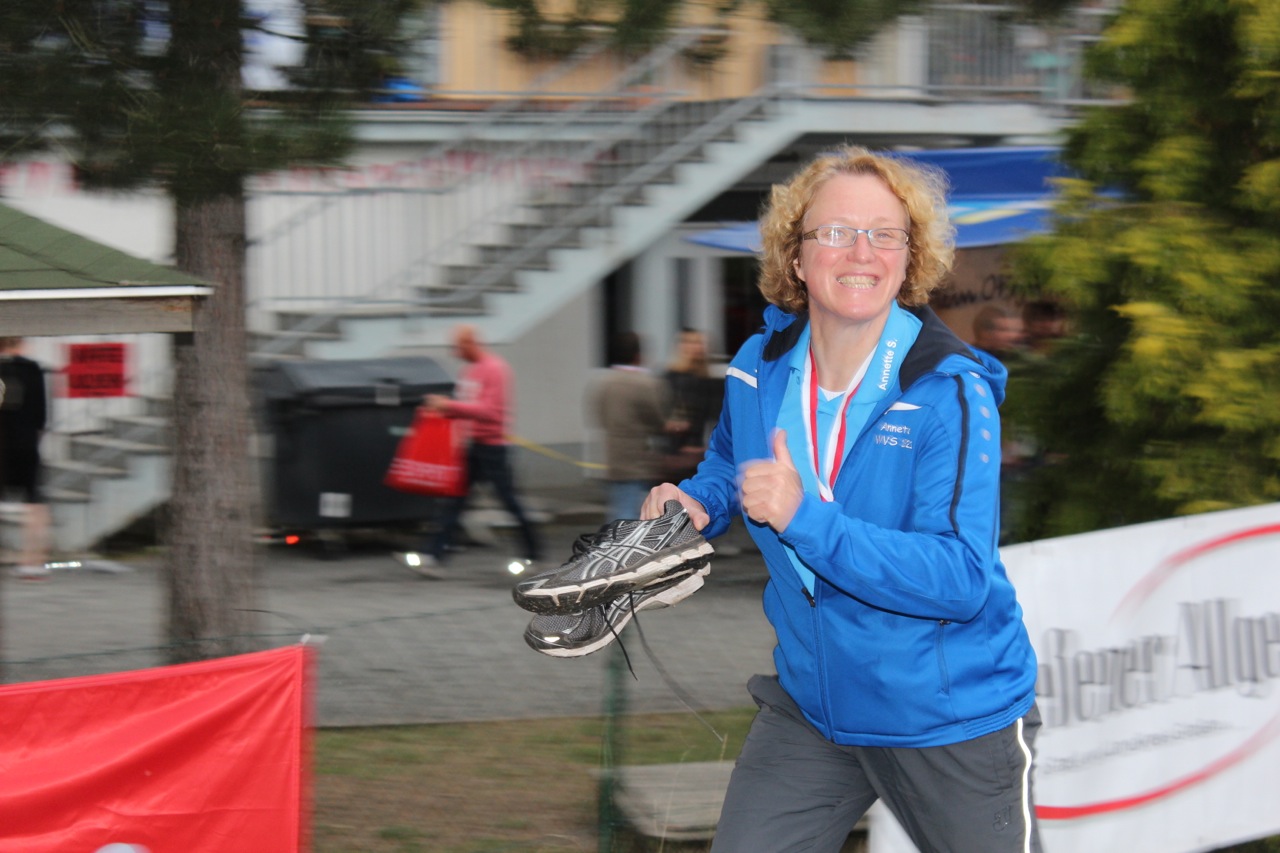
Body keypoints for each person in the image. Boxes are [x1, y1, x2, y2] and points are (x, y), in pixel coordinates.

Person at [639, 146, 1042, 852]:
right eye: (835, 232)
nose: (862, 252)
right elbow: (733, 461)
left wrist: (806, 519)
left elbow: (960, 579)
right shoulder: (759, 365)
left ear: (909, 259)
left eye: (885, 234)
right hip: (815, 705)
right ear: (796, 257)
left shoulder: (948, 392)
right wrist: (699, 503)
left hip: (945, 715)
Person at [394, 325, 542, 576]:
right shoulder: (469, 371)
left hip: (492, 448)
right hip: (472, 446)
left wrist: (449, 406)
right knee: (454, 502)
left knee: (508, 502)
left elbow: (489, 412)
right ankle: (433, 557)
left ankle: (533, 554)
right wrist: (444, 410)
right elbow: (467, 408)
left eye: (457, 347)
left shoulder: (495, 369)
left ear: (470, 344)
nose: (454, 353)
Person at [588, 331, 669, 523]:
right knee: (633, 512)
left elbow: (599, 415)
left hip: (613, 457)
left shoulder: (603, 383)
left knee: (618, 507)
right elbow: (658, 420)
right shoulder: (646, 384)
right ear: (638, 355)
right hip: (639, 458)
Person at [0, 337, 51, 580]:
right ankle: (33, 562)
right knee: (35, 503)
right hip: (26, 442)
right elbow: (42, 416)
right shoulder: (32, 370)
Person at [660, 328, 717, 483]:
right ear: (681, 347)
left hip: (697, 451)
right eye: (690, 343)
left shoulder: (704, 379)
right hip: (676, 451)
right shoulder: (673, 377)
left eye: (699, 343)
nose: (696, 347)